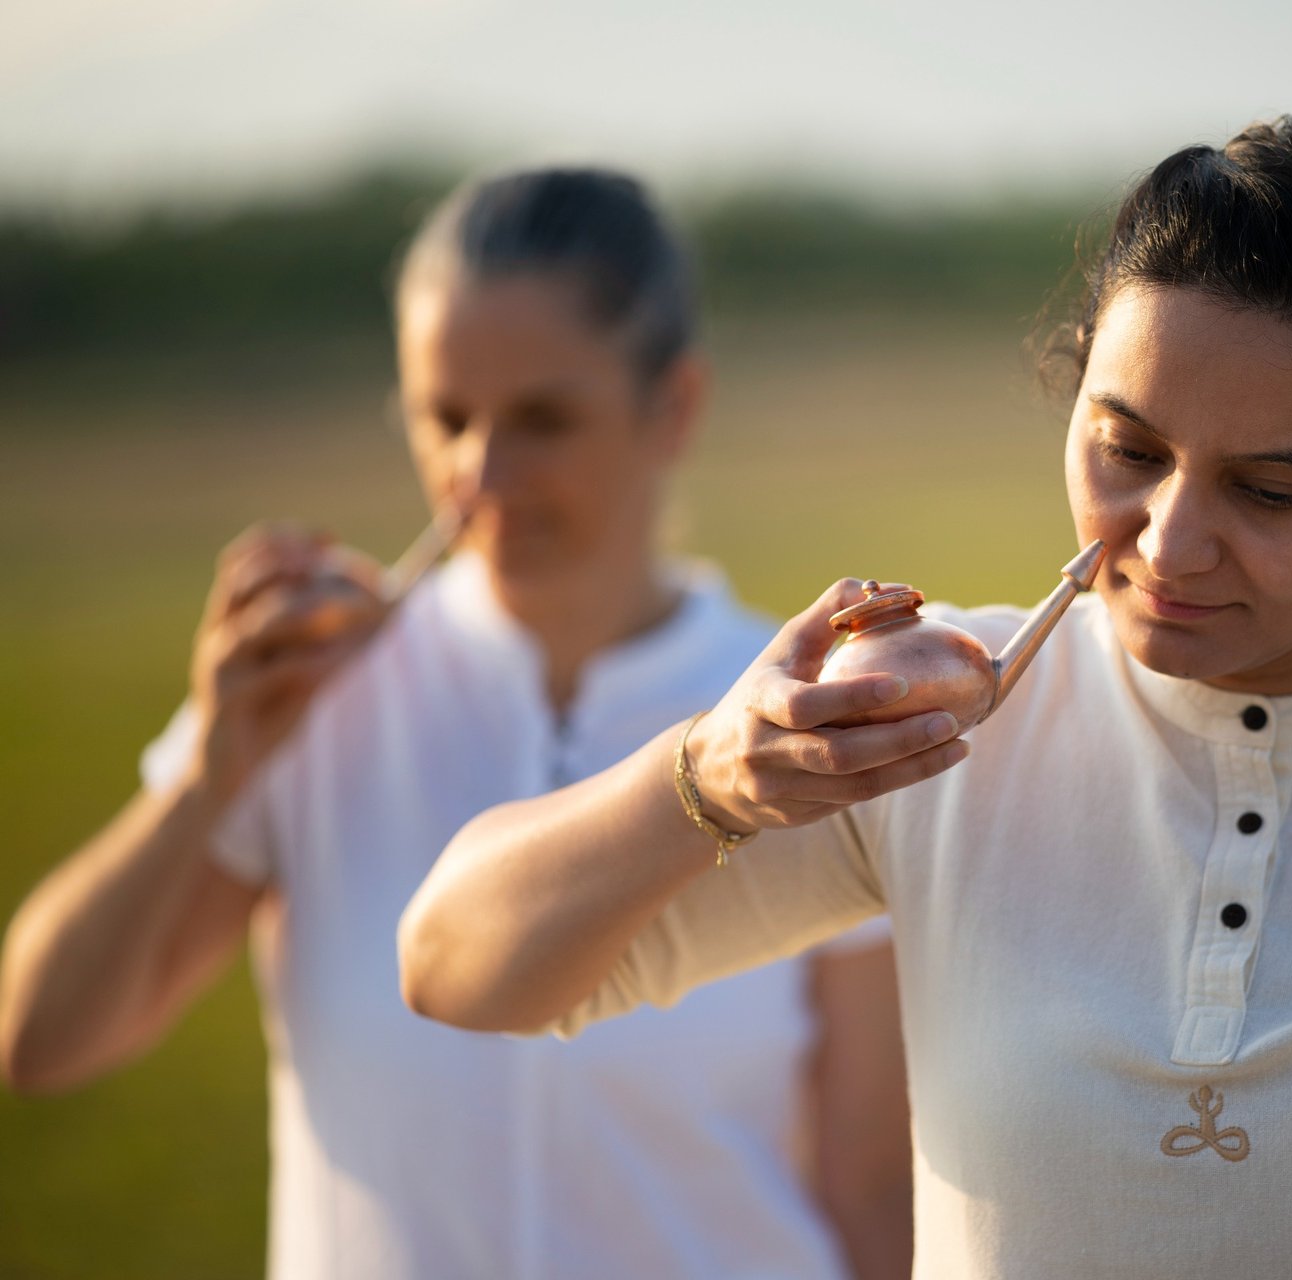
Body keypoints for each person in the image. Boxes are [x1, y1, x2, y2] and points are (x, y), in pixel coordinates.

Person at [397, 122, 1292, 1278]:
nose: (1168, 543)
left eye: (1271, 490)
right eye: (1129, 450)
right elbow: (457, 971)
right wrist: (704, 775)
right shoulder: (936, 726)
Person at [0, 169, 913, 1280]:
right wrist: (208, 774)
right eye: (445, 416)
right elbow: (41, 1041)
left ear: (673, 406)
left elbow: (868, 1177)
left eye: (541, 418)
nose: (478, 472)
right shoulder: (314, 690)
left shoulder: (790, 702)